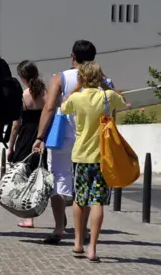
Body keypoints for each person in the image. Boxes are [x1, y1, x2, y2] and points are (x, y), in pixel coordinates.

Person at [34, 62, 125, 262]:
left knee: (79, 198)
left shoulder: (77, 97)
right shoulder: (107, 97)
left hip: (81, 155)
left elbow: (63, 106)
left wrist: (77, 87)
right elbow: (123, 100)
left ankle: (77, 244)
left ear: (82, 78)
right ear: (100, 77)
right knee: (97, 201)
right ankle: (92, 248)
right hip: (102, 156)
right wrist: (105, 86)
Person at [32, 40, 107, 245]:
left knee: (58, 178)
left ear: (72, 57)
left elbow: (49, 108)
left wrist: (39, 136)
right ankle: (82, 232)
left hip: (63, 135)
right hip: (91, 138)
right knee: (87, 184)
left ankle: (58, 228)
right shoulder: (103, 80)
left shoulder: (61, 78)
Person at [9, 60, 48, 228]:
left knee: (26, 178)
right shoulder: (46, 94)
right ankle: (59, 216)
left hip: (25, 138)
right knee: (42, 177)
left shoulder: (23, 96)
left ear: (22, 77)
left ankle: (28, 218)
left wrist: (10, 146)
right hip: (43, 137)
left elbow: (16, 124)